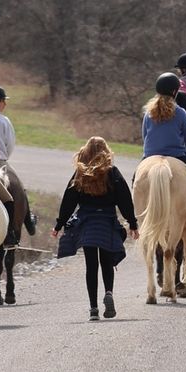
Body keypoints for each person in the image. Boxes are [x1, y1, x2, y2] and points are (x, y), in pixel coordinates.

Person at [53, 136, 139, 321]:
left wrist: (59, 225)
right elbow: (125, 200)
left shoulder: (80, 173)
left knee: (91, 266)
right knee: (106, 262)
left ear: (86, 152)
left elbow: (68, 201)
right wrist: (132, 223)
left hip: (87, 224)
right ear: (106, 152)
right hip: (106, 221)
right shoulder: (113, 173)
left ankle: (93, 309)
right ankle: (108, 293)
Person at [141, 73, 186, 226]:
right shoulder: (180, 112)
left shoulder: (148, 112)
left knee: (137, 178)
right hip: (177, 155)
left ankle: (138, 212)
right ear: (175, 92)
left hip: (150, 155)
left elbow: (144, 136)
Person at [0, 84, 36, 234]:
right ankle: (27, 223)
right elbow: (10, 144)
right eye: (4, 101)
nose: (5, 104)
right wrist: (3, 158)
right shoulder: (4, 120)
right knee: (19, 188)